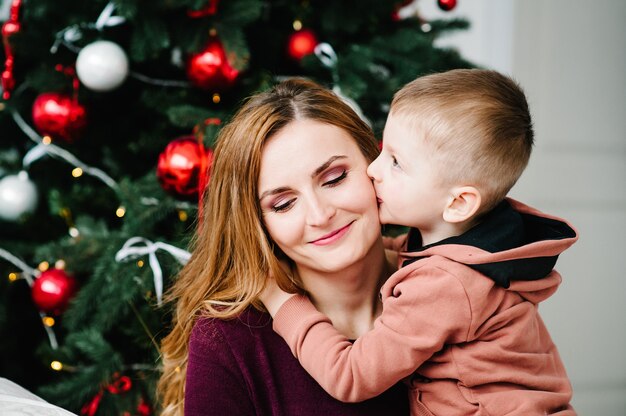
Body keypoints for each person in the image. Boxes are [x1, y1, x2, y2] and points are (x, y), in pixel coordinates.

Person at [261, 69, 579, 415]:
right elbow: (417, 256)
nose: (373, 169)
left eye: (396, 163)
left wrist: (282, 302)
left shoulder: (444, 286)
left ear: (458, 204)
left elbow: (349, 376)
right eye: (383, 151)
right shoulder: (479, 250)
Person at [157, 78, 410, 416]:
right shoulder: (230, 339)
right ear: (259, 224)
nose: (320, 215)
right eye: (283, 204)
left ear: (374, 165)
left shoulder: (457, 285)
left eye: (334, 178)